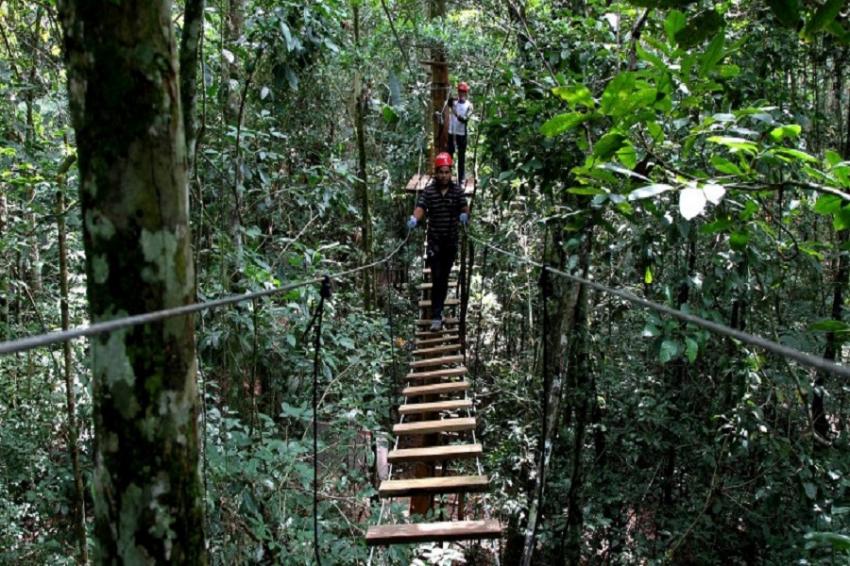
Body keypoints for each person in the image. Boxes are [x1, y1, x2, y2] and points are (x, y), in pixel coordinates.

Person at [407, 152, 470, 331]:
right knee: (437, 277)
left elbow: (464, 207)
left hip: (450, 243)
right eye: (440, 172)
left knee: (443, 277)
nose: (443, 175)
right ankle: (436, 315)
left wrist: (465, 215)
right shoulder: (429, 191)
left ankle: (438, 312)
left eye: (446, 172)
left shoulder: (457, 191)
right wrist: (414, 218)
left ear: (451, 173)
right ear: (436, 173)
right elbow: (421, 207)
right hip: (434, 243)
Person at [447, 81, 473, 188]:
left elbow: (465, 119)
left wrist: (456, 113)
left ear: (466, 93)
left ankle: (461, 180)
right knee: (449, 155)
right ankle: (447, 178)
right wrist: (450, 101)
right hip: (451, 132)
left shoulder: (469, 105)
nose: (461, 93)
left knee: (461, 157)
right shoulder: (454, 102)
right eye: (459, 91)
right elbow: (448, 102)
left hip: (461, 134)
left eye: (463, 92)